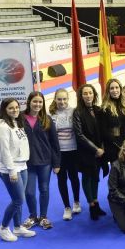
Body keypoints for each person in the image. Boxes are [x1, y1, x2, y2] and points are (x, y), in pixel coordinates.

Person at [0, 98, 36, 242]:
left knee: (19, 199)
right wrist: (11, 170)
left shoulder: (16, 122)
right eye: (11, 108)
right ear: (4, 109)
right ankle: (3, 228)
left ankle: (17, 227)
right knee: (18, 200)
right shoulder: (3, 127)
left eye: (17, 107)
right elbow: (4, 151)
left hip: (22, 165)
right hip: (10, 169)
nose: (15, 110)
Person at [22, 91, 61, 230]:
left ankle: (43, 217)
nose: (37, 104)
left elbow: (55, 143)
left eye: (40, 102)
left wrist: (57, 163)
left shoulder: (47, 119)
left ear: (43, 103)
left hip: (45, 161)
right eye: (35, 101)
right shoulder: (20, 118)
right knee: (29, 192)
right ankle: (33, 216)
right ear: (29, 102)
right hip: (27, 162)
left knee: (44, 189)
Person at [73, 84, 108, 220]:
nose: (88, 96)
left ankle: (96, 202)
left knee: (95, 177)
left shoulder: (98, 110)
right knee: (87, 178)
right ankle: (91, 205)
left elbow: (104, 131)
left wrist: (103, 148)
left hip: (100, 151)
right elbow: (79, 134)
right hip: (86, 151)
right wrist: (95, 149)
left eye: (90, 93)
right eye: (85, 93)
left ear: (94, 95)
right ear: (81, 96)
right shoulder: (78, 112)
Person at [49, 88, 81, 221]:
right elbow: (50, 137)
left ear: (68, 99)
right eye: (59, 99)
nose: (62, 102)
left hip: (73, 151)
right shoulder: (51, 114)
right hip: (59, 153)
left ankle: (76, 202)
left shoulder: (74, 111)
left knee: (74, 177)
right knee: (61, 180)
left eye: (64, 99)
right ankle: (67, 207)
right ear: (55, 99)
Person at [100, 78, 125, 165]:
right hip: (113, 147)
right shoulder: (104, 108)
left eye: (117, 87)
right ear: (108, 91)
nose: (115, 90)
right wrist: (119, 146)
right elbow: (104, 130)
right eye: (112, 88)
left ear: (120, 89)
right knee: (117, 173)